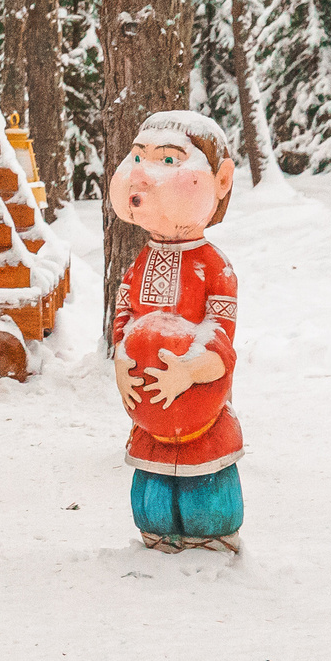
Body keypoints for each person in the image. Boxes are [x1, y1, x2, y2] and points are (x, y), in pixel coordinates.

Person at [106, 111, 243, 551]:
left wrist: (191, 371)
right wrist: (122, 361)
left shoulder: (214, 267)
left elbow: (222, 333)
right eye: (138, 157)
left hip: (201, 409)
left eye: (167, 161)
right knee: (152, 497)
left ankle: (211, 536)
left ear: (220, 181)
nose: (142, 173)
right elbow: (124, 316)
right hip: (148, 410)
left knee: (206, 494)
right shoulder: (139, 263)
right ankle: (157, 532)